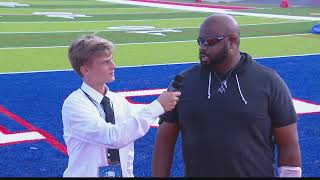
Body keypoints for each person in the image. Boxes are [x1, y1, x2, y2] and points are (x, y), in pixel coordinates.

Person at [152, 14, 301, 177]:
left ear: (233, 41)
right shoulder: (183, 82)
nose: (202, 47)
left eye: (210, 42)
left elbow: (288, 143)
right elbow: (164, 141)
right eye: (200, 41)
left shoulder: (269, 81)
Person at [61, 35, 181, 177]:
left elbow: (143, 114)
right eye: (105, 62)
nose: (113, 66)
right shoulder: (75, 105)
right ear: (85, 70)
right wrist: (158, 106)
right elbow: (113, 137)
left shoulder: (117, 100)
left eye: (111, 60)